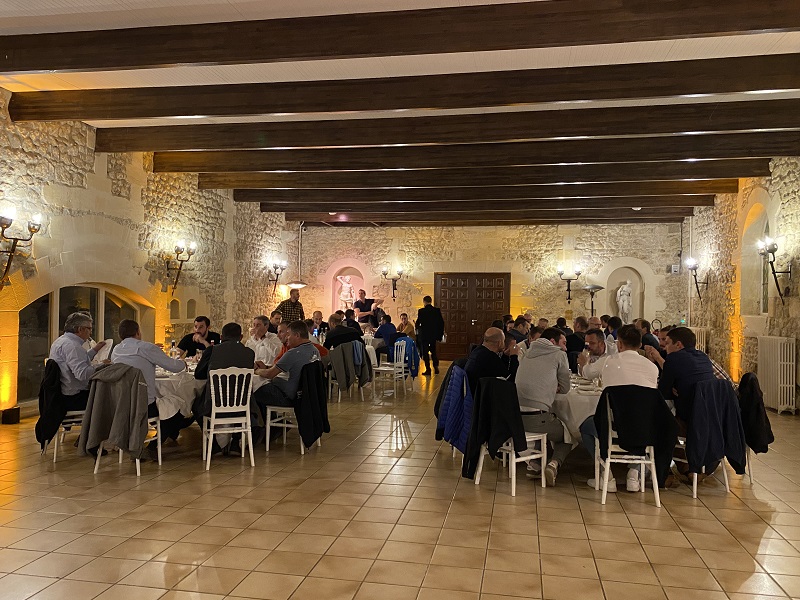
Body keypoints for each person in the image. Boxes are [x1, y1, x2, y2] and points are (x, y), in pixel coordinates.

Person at [578, 324, 660, 492]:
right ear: (640, 344)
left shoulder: (608, 361)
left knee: (585, 426)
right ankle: (634, 474)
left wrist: (584, 363)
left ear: (619, 344)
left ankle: (606, 476)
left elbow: (587, 374)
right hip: (644, 426)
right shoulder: (652, 368)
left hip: (612, 425)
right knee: (638, 423)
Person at [111, 319, 189, 453]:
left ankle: (170, 433)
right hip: (144, 405)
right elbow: (173, 367)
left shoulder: (116, 350)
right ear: (138, 332)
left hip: (122, 404)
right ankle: (153, 446)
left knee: (167, 406)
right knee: (179, 403)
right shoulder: (146, 347)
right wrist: (184, 363)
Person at [514, 326, 572, 486]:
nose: (566, 348)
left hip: (515, 418)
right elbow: (565, 388)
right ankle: (554, 465)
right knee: (568, 434)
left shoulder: (527, 353)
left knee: (547, 420)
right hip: (537, 419)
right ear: (552, 341)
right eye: (564, 343)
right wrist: (553, 385)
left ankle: (535, 465)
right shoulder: (559, 355)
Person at [193, 322, 256, 453]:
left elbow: (198, 374)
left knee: (195, 404)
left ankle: (214, 443)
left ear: (221, 337)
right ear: (241, 337)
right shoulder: (249, 353)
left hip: (214, 404)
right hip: (243, 405)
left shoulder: (212, 350)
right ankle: (235, 441)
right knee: (239, 393)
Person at [252, 321, 321, 428]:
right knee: (261, 387)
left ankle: (257, 427)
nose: (287, 338)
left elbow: (270, 374)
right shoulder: (314, 350)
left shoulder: (293, 353)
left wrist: (256, 370)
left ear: (297, 335)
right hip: (308, 396)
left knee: (252, 390)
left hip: (290, 398)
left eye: (288, 334)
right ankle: (272, 427)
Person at [644, 326, 715, 422]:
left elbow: (663, 392)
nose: (665, 347)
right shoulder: (703, 356)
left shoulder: (673, 358)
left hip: (689, 414)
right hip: (710, 409)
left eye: (667, 343)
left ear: (678, 344)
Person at [48, 312, 108, 410]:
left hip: (61, 395)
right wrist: (102, 366)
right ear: (80, 329)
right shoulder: (73, 346)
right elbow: (83, 374)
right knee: (110, 397)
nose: (91, 332)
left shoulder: (61, 341)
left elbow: (78, 359)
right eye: (89, 329)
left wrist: (95, 349)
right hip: (74, 398)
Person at [464, 327, 519, 397]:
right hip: (482, 396)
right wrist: (514, 356)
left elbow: (502, 370)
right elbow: (509, 380)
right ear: (500, 342)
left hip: (474, 391)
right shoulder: (490, 357)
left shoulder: (477, 351)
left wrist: (505, 356)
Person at [416, 295, 445, 375]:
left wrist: (417, 327)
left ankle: (428, 369)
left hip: (424, 335)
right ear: (431, 301)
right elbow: (441, 323)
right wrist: (440, 334)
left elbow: (418, 322)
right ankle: (436, 366)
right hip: (433, 335)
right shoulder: (436, 311)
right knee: (433, 351)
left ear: (424, 302)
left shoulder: (421, 311)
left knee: (425, 353)